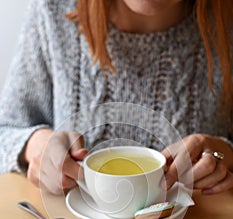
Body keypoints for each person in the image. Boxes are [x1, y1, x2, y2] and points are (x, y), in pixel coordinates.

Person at [0, 0, 232, 196]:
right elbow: (6, 130)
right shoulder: (54, 10)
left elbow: (224, 154)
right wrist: (35, 145)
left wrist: (224, 154)